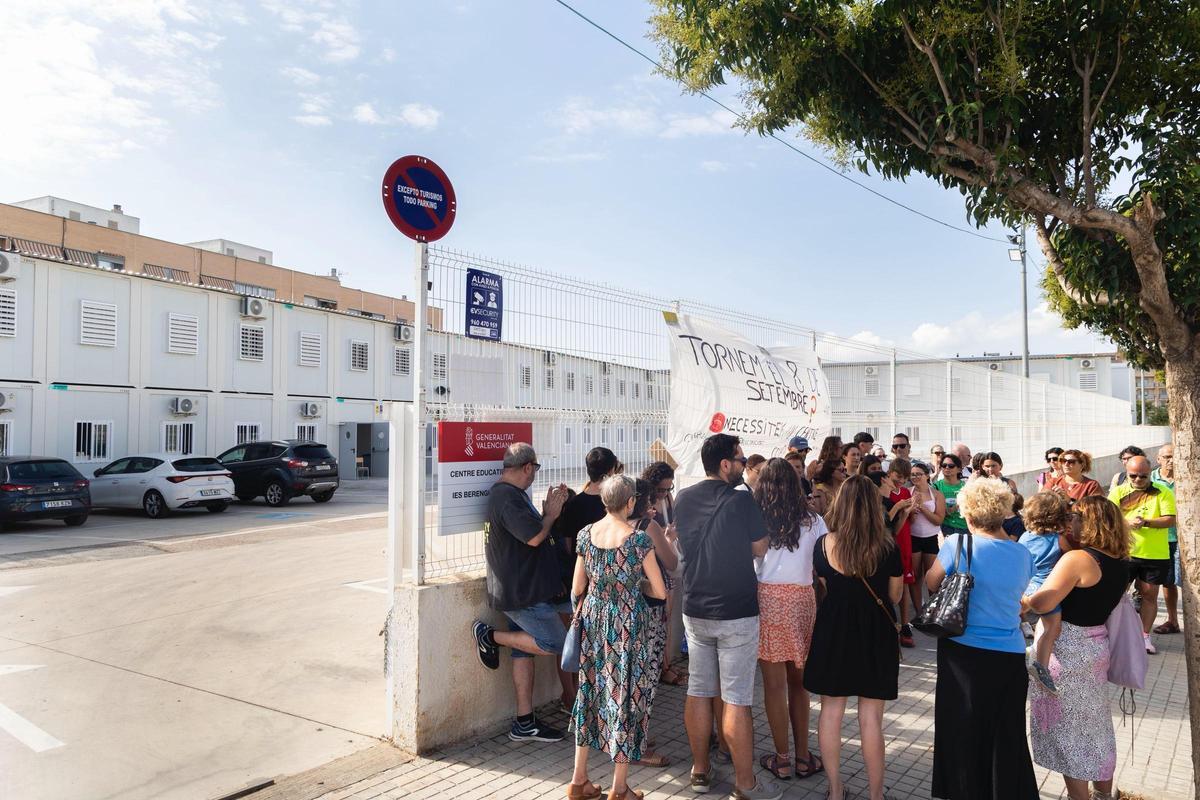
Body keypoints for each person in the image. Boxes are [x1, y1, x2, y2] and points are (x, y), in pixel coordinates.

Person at [674, 434, 782, 800]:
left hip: (695, 607)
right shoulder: (741, 500)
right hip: (736, 611)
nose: (742, 464)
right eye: (739, 459)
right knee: (736, 699)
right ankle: (745, 783)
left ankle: (699, 769)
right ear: (725, 464)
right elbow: (760, 547)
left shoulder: (683, 498)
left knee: (699, 690)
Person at [927, 478, 1037, 800]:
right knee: (1005, 734)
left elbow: (932, 584)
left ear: (969, 515)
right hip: (1010, 655)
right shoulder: (1022, 554)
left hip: (962, 652)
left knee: (961, 730)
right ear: (1003, 513)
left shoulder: (957, 546)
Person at [567, 475, 668, 800]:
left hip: (595, 622)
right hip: (629, 626)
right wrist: (631, 588)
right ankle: (619, 787)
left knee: (591, 692)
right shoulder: (638, 542)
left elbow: (576, 589)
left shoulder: (586, 534)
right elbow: (661, 591)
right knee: (625, 695)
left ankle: (578, 779)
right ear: (630, 503)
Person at [1027, 496, 1134, 800]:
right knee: (1096, 726)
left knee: (1070, 733)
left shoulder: (1079, 559)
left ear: (1089, 522)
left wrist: (1027, 600)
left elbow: (1044, 601)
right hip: (1096, 644)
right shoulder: (1120, 562)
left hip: (1067, 647)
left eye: (1075, 516)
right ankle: (1103, 794)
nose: (1070, 521)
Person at [804, 475, 903, 800]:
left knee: (830, 712)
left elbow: (824, 586)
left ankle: (835, 791)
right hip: (876, 634)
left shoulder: (823, 544)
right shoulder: (887, 546)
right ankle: (876, 795)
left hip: (834, 632)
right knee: (871, 718)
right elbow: (895, 595)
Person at [472, 443, 571, 743]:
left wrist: (543, 514)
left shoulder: (509, 496)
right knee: (556, 642)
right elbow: (534, 537)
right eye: (534, 471)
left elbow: (528, 532)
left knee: (523, 650)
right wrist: (551, 515)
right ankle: (489, 636)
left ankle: (524, 721)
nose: (534, 478)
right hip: (521, 593)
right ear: (528, 467)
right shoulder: (506, 498)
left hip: (523, 588)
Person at [752, 459, 826, 782]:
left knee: (773, 685)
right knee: (800, 684)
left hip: (766, 599)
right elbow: (824, 562)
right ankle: (803, 756)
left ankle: (781, 759)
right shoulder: (813, 520)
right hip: (802, 599)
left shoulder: (755, 520)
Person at [554, 447, 622, 708]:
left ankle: (571, 697)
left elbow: (569, 547)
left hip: (576, 582)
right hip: (606, 587)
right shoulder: (612, 507)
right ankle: (597, 699)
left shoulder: (573, 504)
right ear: (611, 471)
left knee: (570, 643)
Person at [625, 477, 679, 768]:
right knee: (645, 679)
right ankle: (636, 746)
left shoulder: (610, 526)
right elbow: (671, 563)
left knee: (628, 677)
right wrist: (668, 539)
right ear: (644, 500)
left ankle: (634, 735)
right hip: (649, 609)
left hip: (622, 612)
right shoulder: (649, 528)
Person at [1108, 454, 1176, 654]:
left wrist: (1146, 522)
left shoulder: (1162, 491)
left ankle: (1144, 636)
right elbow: (1109, 520)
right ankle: (1114, 634)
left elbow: (1169, 520)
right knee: (1116, 595)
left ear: (1150, 473)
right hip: (1124, 553)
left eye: (1143, 476)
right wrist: (1126, 523)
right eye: (1133, 476)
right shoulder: (1118, 492)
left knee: (1149, 596)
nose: (1138, 480)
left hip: (1154, 554)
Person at [1018, 492, 1072, 694]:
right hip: (1048, 589)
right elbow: (1069, 560)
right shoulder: (1058, 540)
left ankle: (1027, 650)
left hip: (1028, 586)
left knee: (1028, 621)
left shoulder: (1025, 537)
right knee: (1052, 628)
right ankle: (1040, 665)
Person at [642, 461, 687, 686]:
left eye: (669, 488)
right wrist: (667, 537)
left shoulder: (668, 499)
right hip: (652, 567)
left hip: (666, 562)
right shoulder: (644, 504)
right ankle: (663, 668)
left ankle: (665, 664)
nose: (665, 493)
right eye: (661, 489)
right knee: (658, 623)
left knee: (666, 620)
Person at [882, 458, 916, 647]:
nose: (901, 481)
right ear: (890, 472)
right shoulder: (884, 492)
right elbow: (888, 521)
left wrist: (911, 511)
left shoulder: (905, 492)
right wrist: (901, 508)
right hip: (890, 540)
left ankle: (905, 623)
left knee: (905, 582)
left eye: (905, 478)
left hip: (905, 540)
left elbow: (908, 519)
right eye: (898, 476)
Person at [1150, 444, 1182, 634]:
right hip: (1161, 538)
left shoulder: (1189, 476)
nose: (1171, 460)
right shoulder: (1150, 480)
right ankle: (1172, 620)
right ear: (1158, 459)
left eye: (1174, 456)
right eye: (1167, 456)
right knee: (1168, 581)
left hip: (1187, 538)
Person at [906, 461, 945, 615]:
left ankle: (932, 611)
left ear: (927, 476)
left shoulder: (936, 494)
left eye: (918, 474)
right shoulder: (908, 493)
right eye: (913, 474)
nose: (915, 477)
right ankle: (919, 611)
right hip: (913, 538)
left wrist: (922, 507)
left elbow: (938, 520)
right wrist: (912, 512)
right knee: (915, 577)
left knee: (932, 577)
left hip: (931, 538)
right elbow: (908, 521)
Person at [934, 454, 968, 537]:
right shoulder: (936, 487)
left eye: (951, 466)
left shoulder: (966, 486)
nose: (947, 468)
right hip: (946, 528)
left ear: (959, 469)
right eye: (944, 465)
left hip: (965, 528)